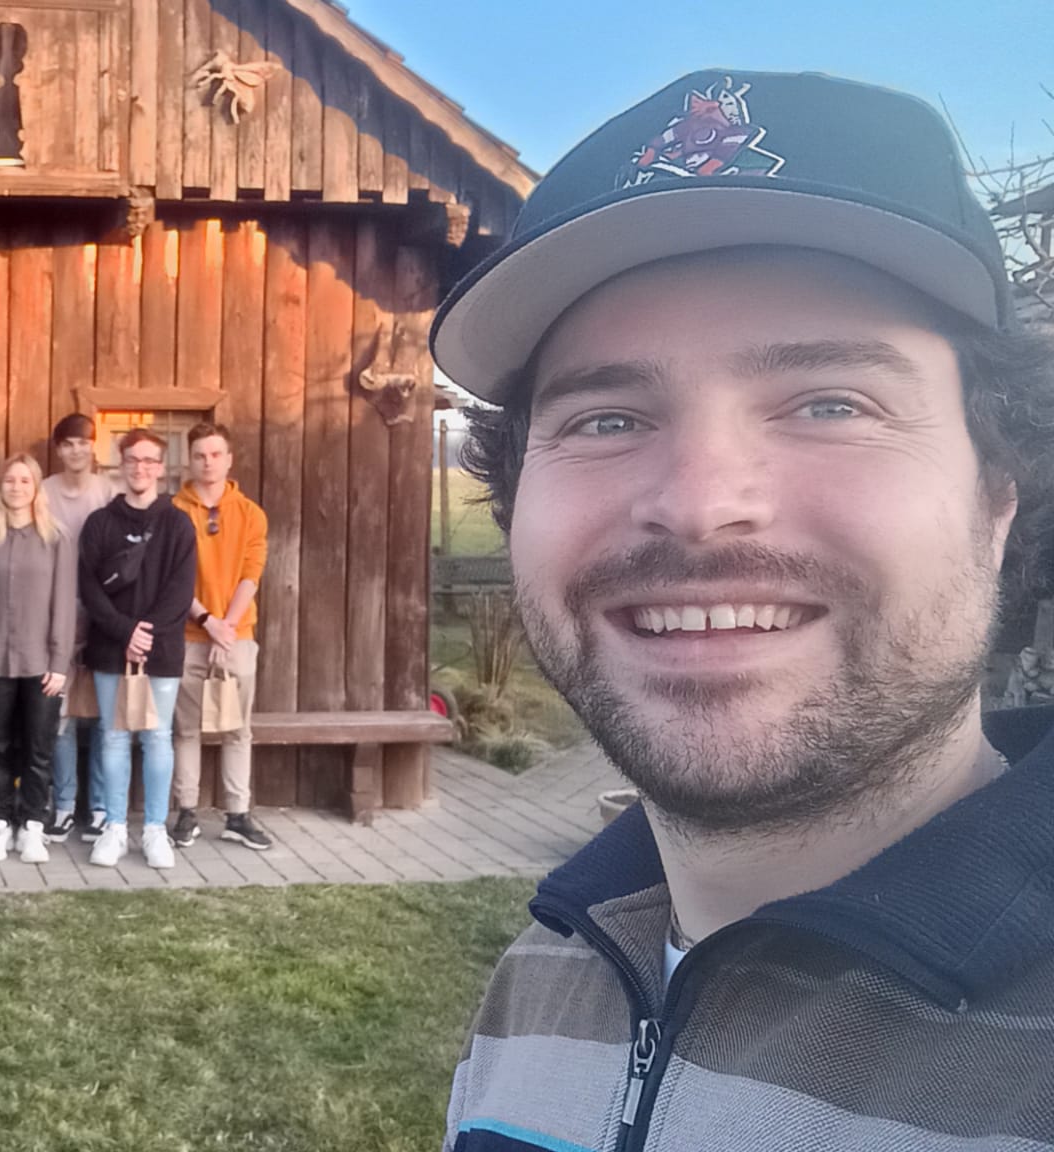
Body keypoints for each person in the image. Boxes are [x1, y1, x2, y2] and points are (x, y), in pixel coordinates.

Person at [434, 71, 1054, 1151]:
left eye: (829, 403)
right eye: (606, 418)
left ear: (998, 494)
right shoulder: (544, 975)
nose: (698, 504)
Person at [77, 428, 196, 870]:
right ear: (121, 465)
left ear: (161, 467)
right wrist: (125, 631)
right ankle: (114, 828)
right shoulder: (100, 523)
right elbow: (89, 587)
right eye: (132, 460)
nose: (140, 468)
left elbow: (181, 591)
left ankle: (154, 830)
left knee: (157, 736)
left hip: (160, 650)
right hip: (111, 646)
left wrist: (146, 634)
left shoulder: (178, 524)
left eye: (149, 460)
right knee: (113, 736)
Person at [169, 422, 272, 851]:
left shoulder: (250, 513)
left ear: (229, 460)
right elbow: (172, 579)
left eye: (215, 454)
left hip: (236, 637)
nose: (207, 462)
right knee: (186, 729)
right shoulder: (173, 512)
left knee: (237, 729)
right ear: (189, 460)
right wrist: (207, 621)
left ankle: (237, 814)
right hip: (188, 635)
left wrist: (225, 627)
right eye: (199, 455)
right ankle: (186, 812)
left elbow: (251, 575)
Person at [0, 454, 77, 864]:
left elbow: (65, 604)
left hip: (42, 662)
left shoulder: (56, 538)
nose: (16, 488)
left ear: (36, 488)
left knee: (39, 748)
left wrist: (60, 662)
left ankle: (33, 825)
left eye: (24, 481)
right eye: (9, 481)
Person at [42, 413, 117, 841]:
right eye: (68, 443)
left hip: (104, 615)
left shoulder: (109, 492)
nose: (76, 450)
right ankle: (65, 805)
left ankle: (101, 807)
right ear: (58, 449)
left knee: (105, 716)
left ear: (94, 447)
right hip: (56, 617)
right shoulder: (43, 491)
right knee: (62, 715)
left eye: (83, 443)